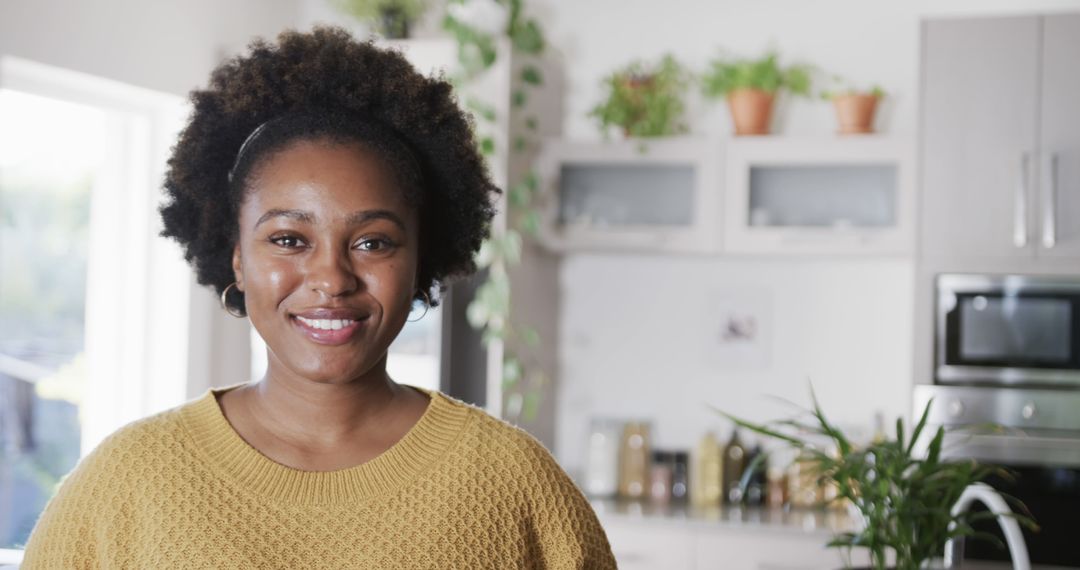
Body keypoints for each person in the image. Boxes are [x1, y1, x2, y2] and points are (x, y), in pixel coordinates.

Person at [20, 26, 616, 569]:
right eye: (288, 239)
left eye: (373, 241)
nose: (331, 278)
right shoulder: (128, 481)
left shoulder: (514, 483)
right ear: (237, 257)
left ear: (418, 261)